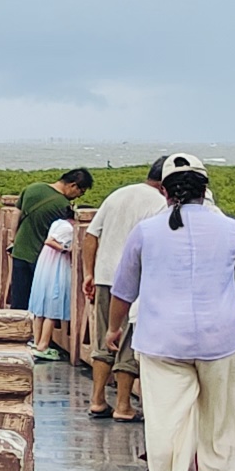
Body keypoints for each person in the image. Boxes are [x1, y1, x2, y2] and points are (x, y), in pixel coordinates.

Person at [111, 155, 235, 471]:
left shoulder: (146, 231)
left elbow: (122, 290)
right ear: (205, 189)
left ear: (164, 191)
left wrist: (112, 330)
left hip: (161, 340)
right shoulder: (231, 229)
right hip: (224, 339)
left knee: (166, 422)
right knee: (225, 419)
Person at [82, 158, 170, 420]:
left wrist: (89, 273)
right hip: (136, 281)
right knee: (128, 342)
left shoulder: (118, 194)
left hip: (105, 276)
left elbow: (90, 235)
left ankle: (97, 400)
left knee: (103, 339)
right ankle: (123, 406)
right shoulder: (160, 204)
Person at [12, 166, 92, 354]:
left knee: (20, 299)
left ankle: (15, 337)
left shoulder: (32, 188)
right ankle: (40, 342)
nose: (78, 196)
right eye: (80, 191)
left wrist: (13, 240)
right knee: (44, 302)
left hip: (20, 251)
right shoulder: (62, 205)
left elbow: (16, 214)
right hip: (44, 261)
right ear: (73, 185)